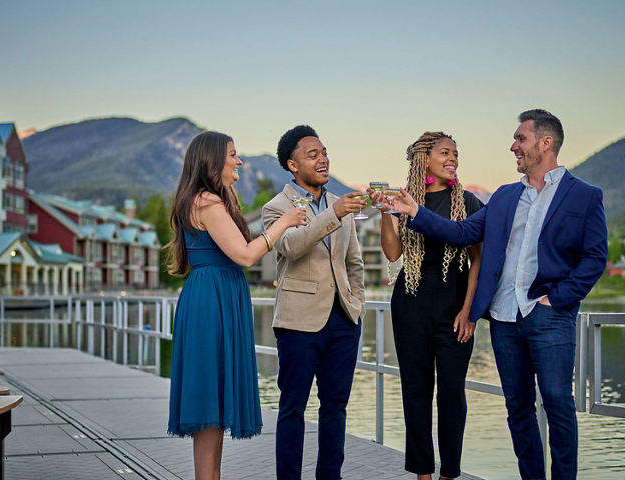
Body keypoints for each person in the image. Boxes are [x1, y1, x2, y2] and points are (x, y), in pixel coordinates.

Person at [389, 110, 608, 480]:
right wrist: (414, 211)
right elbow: (460, 234)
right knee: (518, 408)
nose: (513, 147)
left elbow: (595, 257)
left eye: (520, 139)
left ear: (545, 142)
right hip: (505, 318)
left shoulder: (584, 195)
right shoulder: (505, 197)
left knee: (557, 402)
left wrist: (557, 299)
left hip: (549, 314)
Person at [166, 131, 307, 480]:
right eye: (232, 154)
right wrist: (284, 223)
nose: (239, 161)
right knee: (209, 406)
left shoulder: (209, 200)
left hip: (216, 297)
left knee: (212, 410)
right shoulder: (206, 203)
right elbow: (244, 255)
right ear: (212, 160)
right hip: (211, 303)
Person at [372, 132, 483, 480]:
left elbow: (478, 262)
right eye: (445, 152)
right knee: (415, 392)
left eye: (455, 153)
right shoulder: (405, 202)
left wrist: (469, 312)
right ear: (424, 159)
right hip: (411, 304)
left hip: (454, 307)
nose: (453, 159)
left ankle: (449, 473)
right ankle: (422, 474)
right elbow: (393, 254)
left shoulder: (467, 202)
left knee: (452, 392)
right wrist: (386, 213)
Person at [262, 125, 367, 480]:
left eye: (324, 152)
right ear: (293, 165)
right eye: (313, 155)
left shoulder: (341, 203)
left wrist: (357, 304)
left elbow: (354, 262)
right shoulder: (274, 208)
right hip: (298, 323)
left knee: (335, 408)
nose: (323, 159)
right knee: (292, 408)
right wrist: (334, 213)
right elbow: (292, 246)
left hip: (344, 320)